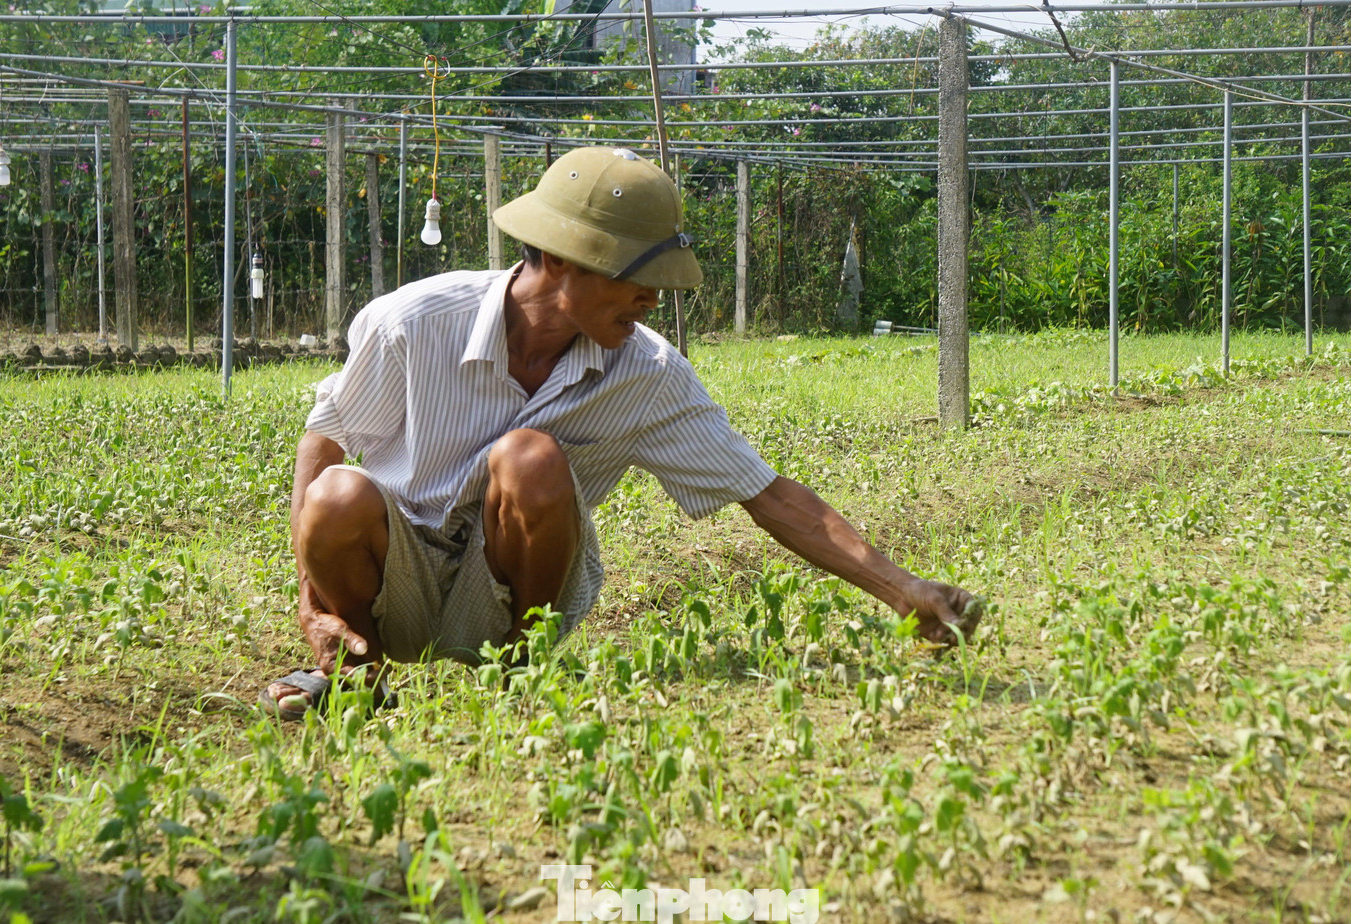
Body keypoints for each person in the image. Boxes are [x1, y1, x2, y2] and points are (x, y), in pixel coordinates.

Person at [260, 146, 981, 720]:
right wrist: (310, 602)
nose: (652, 298)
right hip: (397, 576)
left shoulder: (647, 371)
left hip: (506, 593)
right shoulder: (415, 322)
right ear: (562, 258)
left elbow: (767, 495)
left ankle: (521, 669)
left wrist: (901, 589)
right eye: (636, 275)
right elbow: (323, 440)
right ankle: (354, 669)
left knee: (530, 458)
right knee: (336, 494)